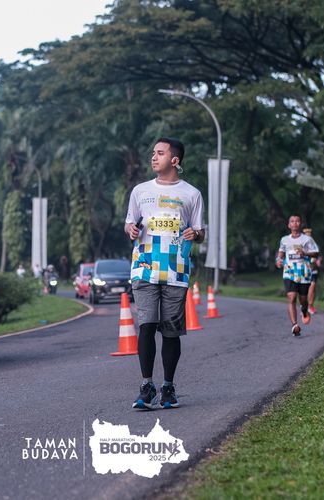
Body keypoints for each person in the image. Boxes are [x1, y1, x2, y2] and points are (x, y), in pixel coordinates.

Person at [124, 137, 205, 410]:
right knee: (146, 326)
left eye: (160, 153)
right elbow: (129, 223)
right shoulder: (140, 191)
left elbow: (200, 231)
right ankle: (147, 386)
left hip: (175, 269)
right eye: (153, 153)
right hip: (144, 266)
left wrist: (196, 234)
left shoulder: (191, 194)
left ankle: (168, 387)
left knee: (171, 331)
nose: (153, 157)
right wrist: (131, 230)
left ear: (175, 160)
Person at [276, 215, 319, 336]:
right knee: (292, 297)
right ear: (289, 225)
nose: (295, 223)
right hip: (289, 272)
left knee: (303, 300)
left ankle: (304, 311)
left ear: (300, 224)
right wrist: (278, 259)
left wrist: (305, 253)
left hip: (304, 272)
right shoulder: (284, 239)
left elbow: (316, 252)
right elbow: (281, 252)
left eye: (297, 221)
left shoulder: (307, 239)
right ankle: (295, 325)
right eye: (292, 221)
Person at [302, 227, 322, 314]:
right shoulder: (301, 246)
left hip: (313, 269)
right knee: (305, 289)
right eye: (306, 235)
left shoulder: (315, 246)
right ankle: (305, 305)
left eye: (309, 235)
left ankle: (310, 306)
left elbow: (319, 255)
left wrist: (319, 260)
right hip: (304, 269)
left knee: (313, 286)